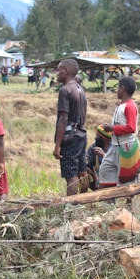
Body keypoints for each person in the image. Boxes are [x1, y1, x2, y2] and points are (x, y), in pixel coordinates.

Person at [53, 58, 88, 196]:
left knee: (71, 175)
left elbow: (63, 118)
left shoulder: (65, 90)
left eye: (59, 70)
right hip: (81, 134)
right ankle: (86, 201)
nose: (57, 73)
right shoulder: (80, 89)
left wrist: (57, 145)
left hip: (70, 137)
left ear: (66, 71)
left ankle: (72, 208)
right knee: (82, 171)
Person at [98, 76, 140, 188]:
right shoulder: (122, 106)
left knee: (129, 178)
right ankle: (110, 203)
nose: (117, 91)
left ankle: (130, 204)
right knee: (105, 170)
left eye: (118, 88)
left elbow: (131, 128)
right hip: (116, 145)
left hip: (126, 146)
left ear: (123, 89)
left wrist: (113, 128)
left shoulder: (130, 106)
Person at [85, 125, 112, 191]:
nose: (95, 138)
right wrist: (85, 159)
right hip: (97, 177)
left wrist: (104, 156)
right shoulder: (94, 146)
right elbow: (87, 158)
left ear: (104, 138)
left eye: (98, 136)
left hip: (111, 180)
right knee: (84, 171)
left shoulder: (114, 148)